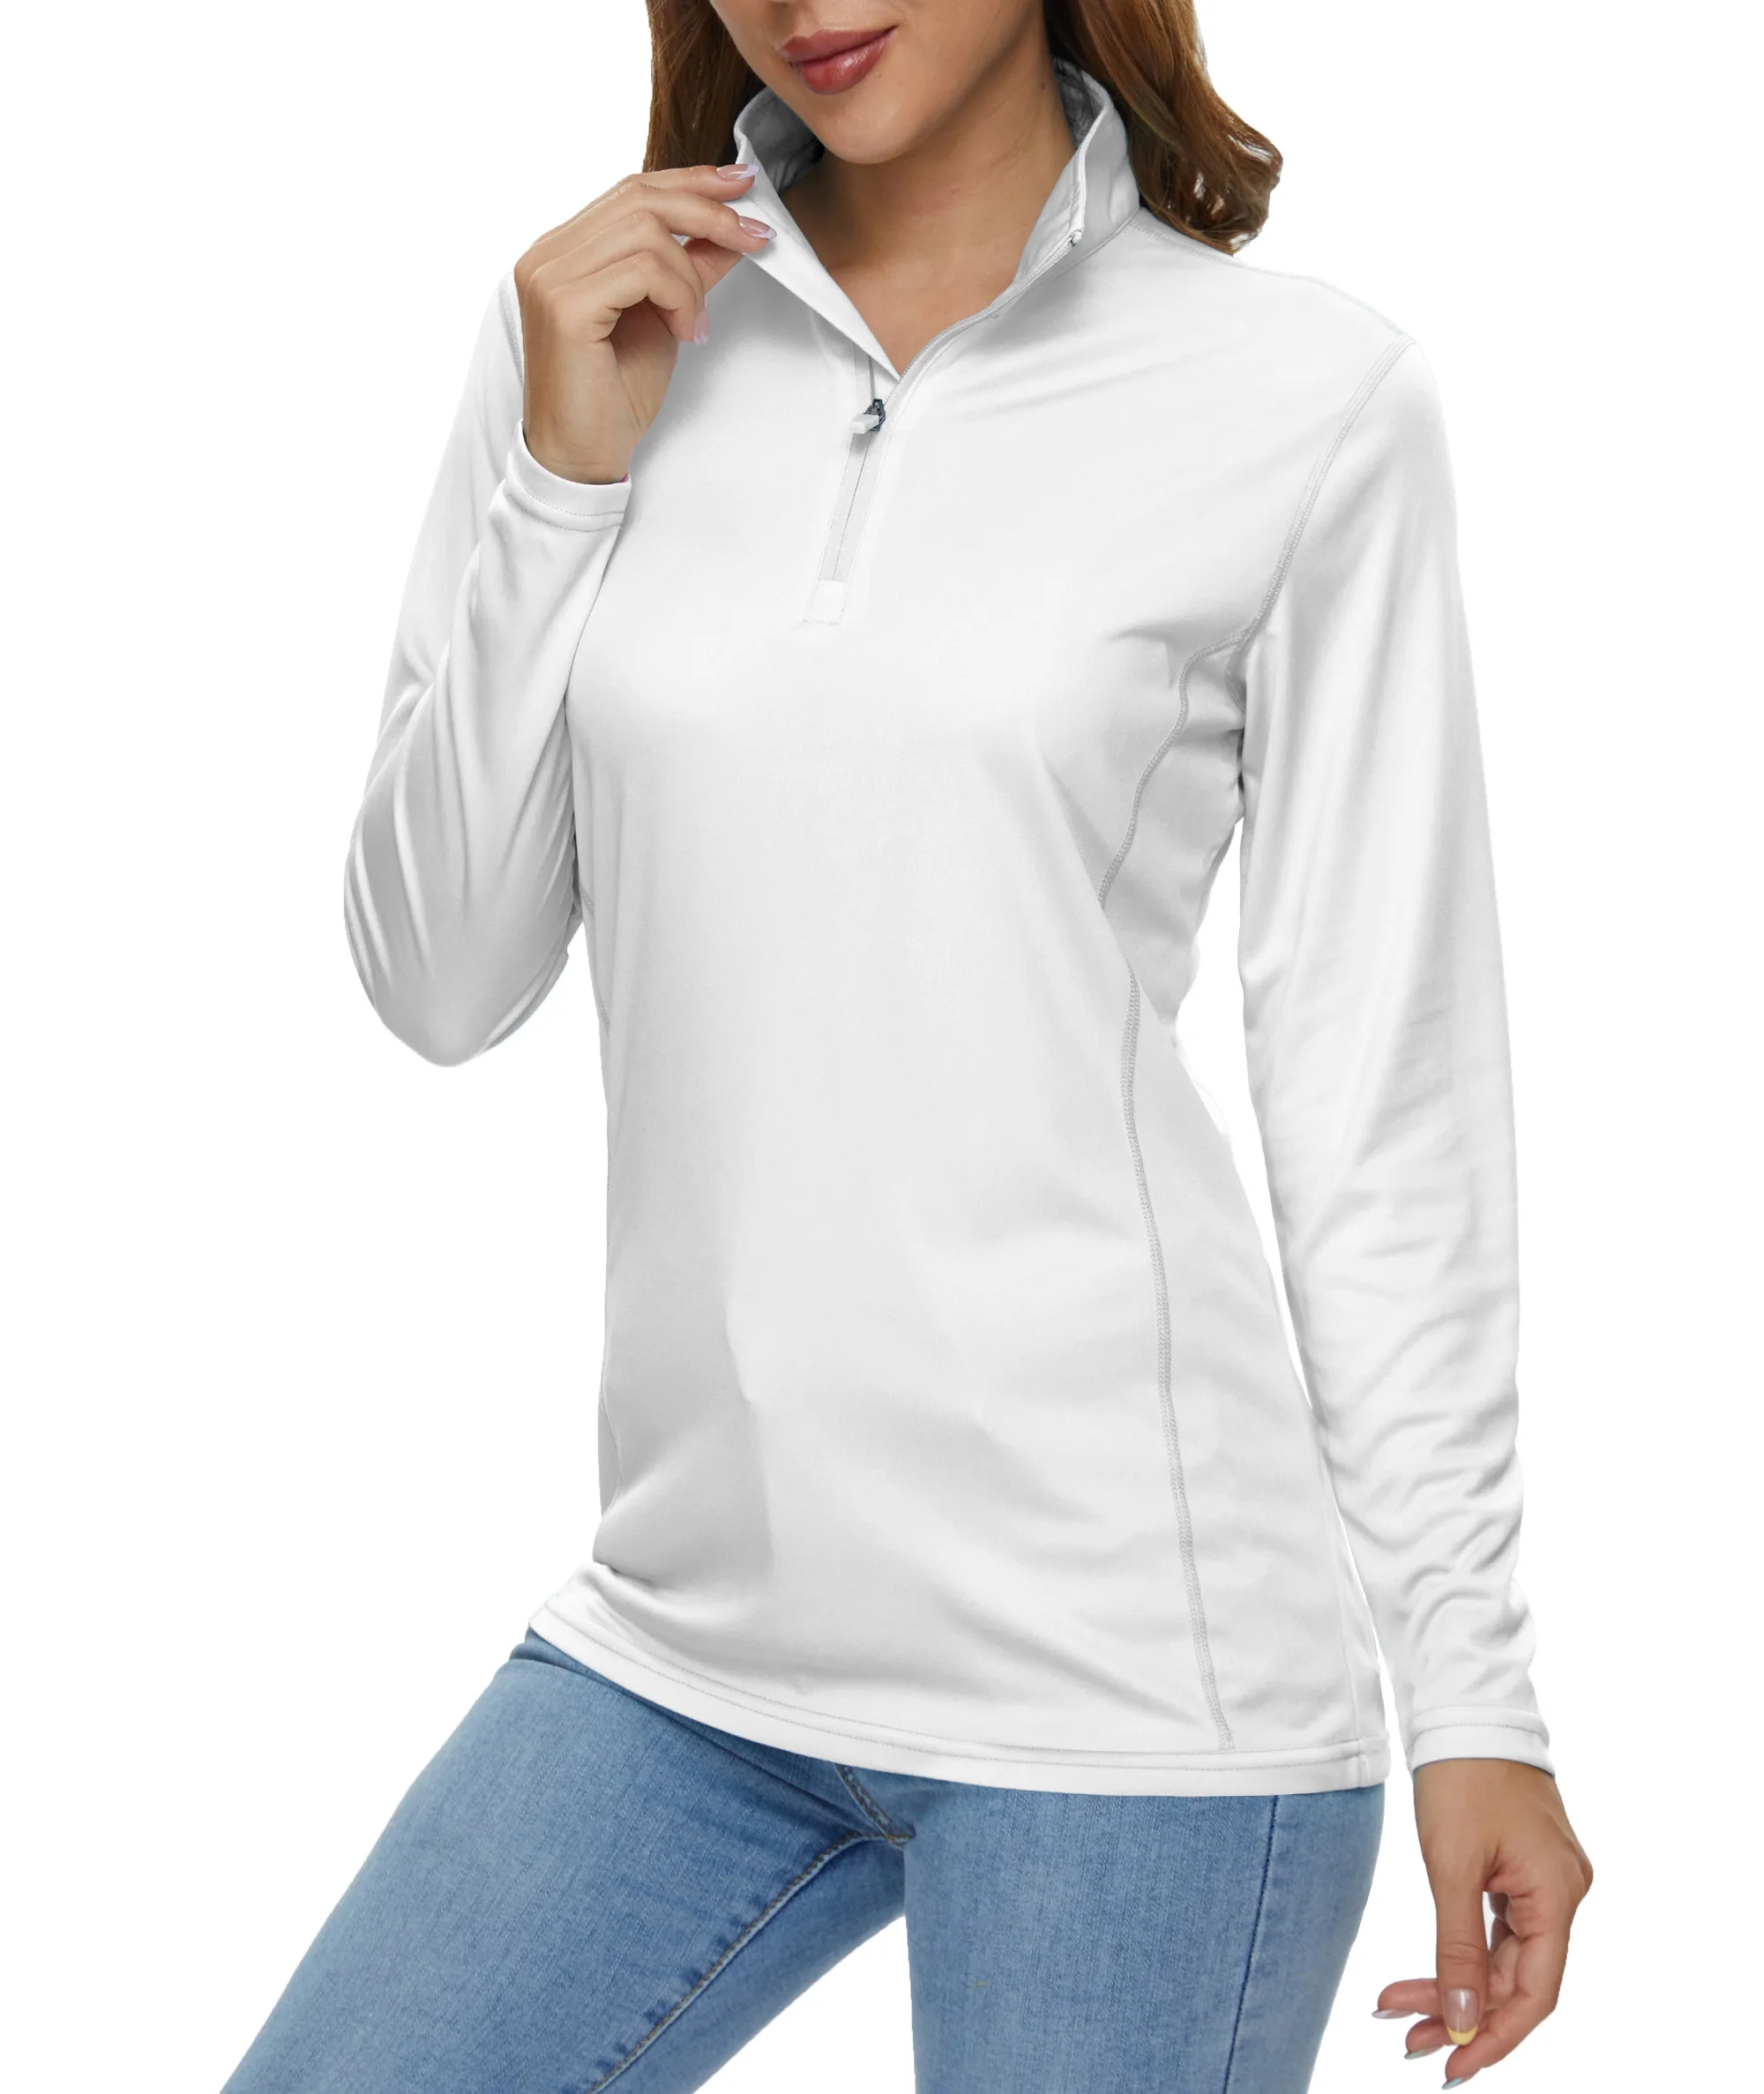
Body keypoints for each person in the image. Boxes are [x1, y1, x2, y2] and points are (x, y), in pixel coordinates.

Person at [224, 3, 1593, 2089]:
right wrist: (561, 475)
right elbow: (437, 974)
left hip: (1139, 1697)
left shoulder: (1301, 396)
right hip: (683, 1640)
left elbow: (1377, 1085)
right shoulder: (591, 336)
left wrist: (1472, 1687)